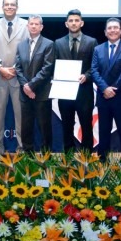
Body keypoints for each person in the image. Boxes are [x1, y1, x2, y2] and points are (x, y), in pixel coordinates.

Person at [0, 0, 28, 156]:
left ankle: (22, 148)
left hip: (18, 77)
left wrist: (14, 69)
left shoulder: (26, 25)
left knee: (20, 116)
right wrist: (0, 68)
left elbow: (26, 50)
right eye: (6, 4)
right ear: (2, 6)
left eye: (12, 5)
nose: (9, 7)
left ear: (17, 7)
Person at [53, 9, 98, 152]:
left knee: (86, 125)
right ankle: (68, 158)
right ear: (66, 24)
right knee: (66, 125)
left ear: (82, 23)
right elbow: (54, 65)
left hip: (84, 92)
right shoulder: (58, 43)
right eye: (71, 21)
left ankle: (87, 158)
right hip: (65, 92)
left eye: (76, 20)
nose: (73, 23)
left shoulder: (92, 42)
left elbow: (95, 66)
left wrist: (86, 75)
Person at [90, 18, 121, 162]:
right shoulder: (98, 49)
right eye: (109, 28)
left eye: (116, 28)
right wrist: (105, 88)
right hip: (104, 98)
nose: (113, 30)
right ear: (105, 32)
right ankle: (102, 164)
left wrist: (112, 89)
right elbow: (94, 71)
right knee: (103, 133)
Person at [15, 15, 55, 152]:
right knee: (26, 127)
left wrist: (31, 86)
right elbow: (18, 68)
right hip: (25, 94)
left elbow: (47, 68)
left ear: (41, 27)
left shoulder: (49, 44)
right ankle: (28, 156)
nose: (33, 26)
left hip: (42, 93)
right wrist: (25, 87)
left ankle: (46, 157)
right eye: (31, 24)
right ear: (27, 26)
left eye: (36, 24)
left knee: (44, 128)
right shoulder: (21, 45)